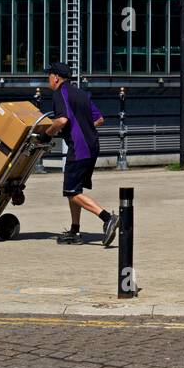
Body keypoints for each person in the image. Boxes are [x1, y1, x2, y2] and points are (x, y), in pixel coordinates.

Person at [46, 62, 120, 246]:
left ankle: (107, 218)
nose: (48, 79)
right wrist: (83, 127)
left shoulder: (59, 93)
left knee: (72, 192)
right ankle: (75, 230)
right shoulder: (80, 93)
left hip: (79, 148)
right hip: (92, 145)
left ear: (56, 77)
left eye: (49, 75)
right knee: (74, 190)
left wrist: (46, 133)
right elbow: (99, 119)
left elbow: (61, 120)